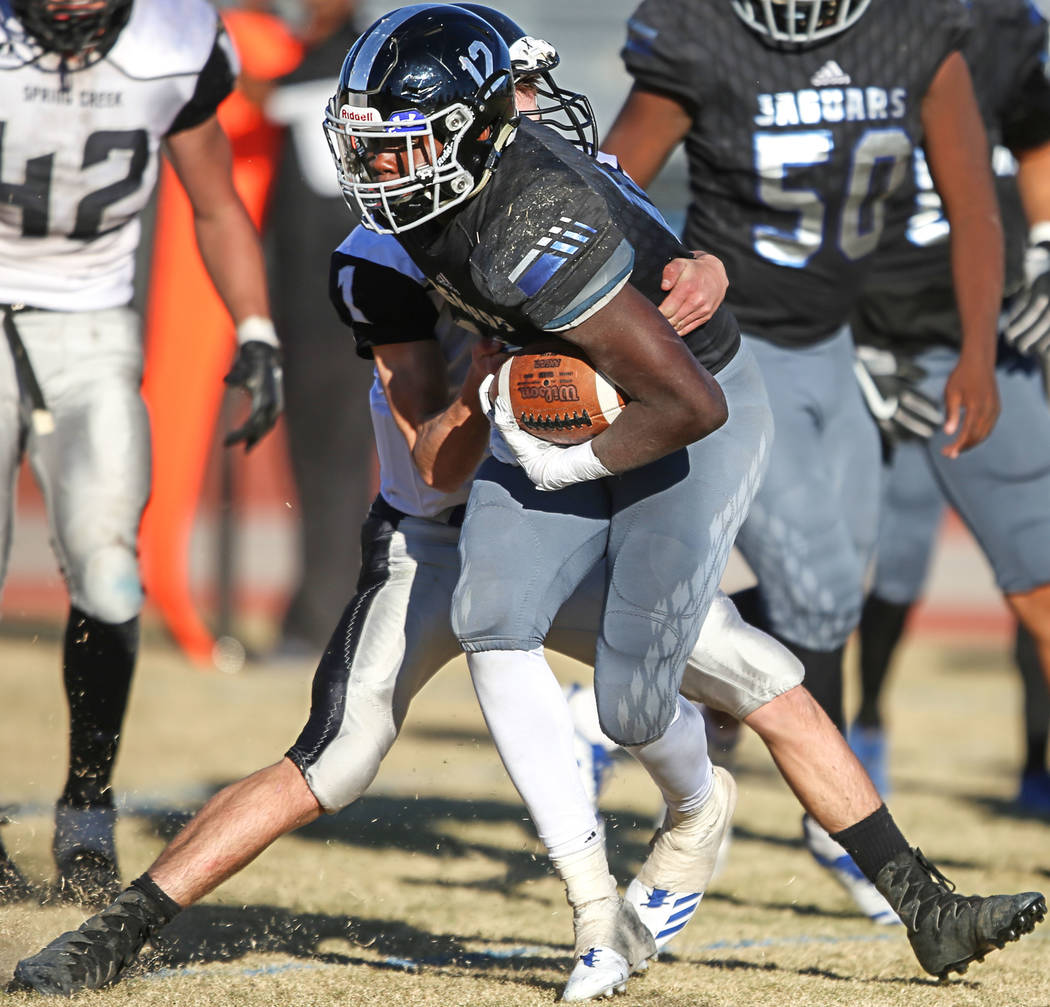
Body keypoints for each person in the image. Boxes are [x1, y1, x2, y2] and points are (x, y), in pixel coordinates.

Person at [10, 6, 1045, 1003]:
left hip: (572, 483)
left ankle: (915, 897)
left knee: (760, 676)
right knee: (338, 752)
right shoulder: (381, 261)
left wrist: (694, 270)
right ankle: (123, 925)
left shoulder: (544, 206)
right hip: (438, 521)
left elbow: (662, 291)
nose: (373, 173)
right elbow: (438, 456)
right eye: (368, 149)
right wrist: (497, 375)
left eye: (396, 147)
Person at [600, 0, 1007, 919]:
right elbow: (611, 185)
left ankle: (655, 679)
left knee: (833, 592)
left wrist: (976, 349)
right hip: (735, 348)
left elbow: (973, 194)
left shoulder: (911, 31)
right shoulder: (701, 33)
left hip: (835, 339)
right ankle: (837, 824)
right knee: (818, 583)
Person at [0, 0, 283, 908]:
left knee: (112, 574)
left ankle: (88, 804)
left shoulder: (176, 38)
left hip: (91, 325)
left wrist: (256, 327)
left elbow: (213, 204)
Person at [848, 0, 1050, 809]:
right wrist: (846, 329)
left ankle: (1038, 754)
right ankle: (856, 727)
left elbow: (1035, 136)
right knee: (860, 570)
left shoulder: (1007, 27)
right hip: (870, 333)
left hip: (988, 334)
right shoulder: (848, 31)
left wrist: (1042, 251)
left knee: (1036, 565)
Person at [260, 0, 378, 658]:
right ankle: (318, 608)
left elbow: (274, 104)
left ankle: (323, 618)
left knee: (333, 461)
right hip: (315, 301)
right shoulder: (322, 60)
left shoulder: (351, 67)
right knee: (318, 460)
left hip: (338, 304)